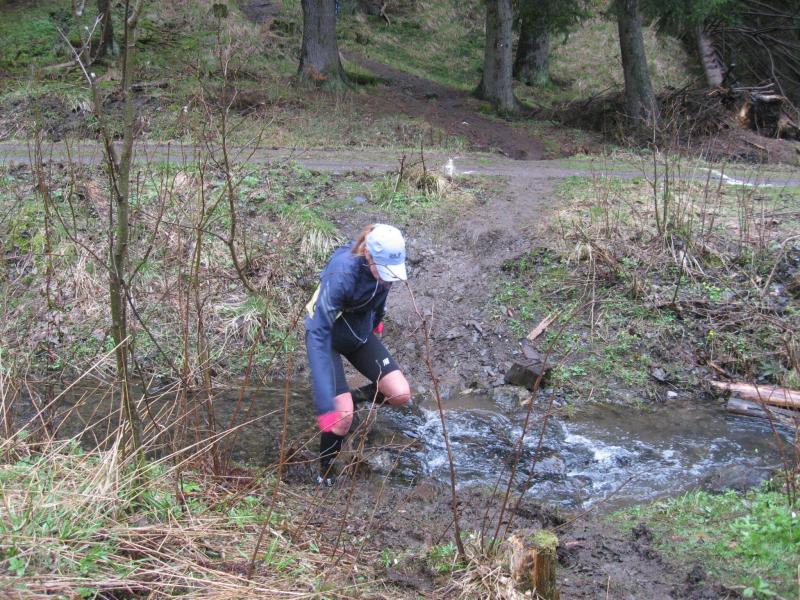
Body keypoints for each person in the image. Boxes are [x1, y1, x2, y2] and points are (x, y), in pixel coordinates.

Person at [304, 224, 412, 486]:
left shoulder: (384, 271)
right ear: (369, 255)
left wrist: (377, 322)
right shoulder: (342, 273)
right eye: (384, 271)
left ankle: (352, 399)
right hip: (326, 338)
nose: (387, 279)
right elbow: (317, 332)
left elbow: (379, 298)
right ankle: (324, 475)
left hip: (359, 334)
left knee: (400, 394)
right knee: (341, 419)